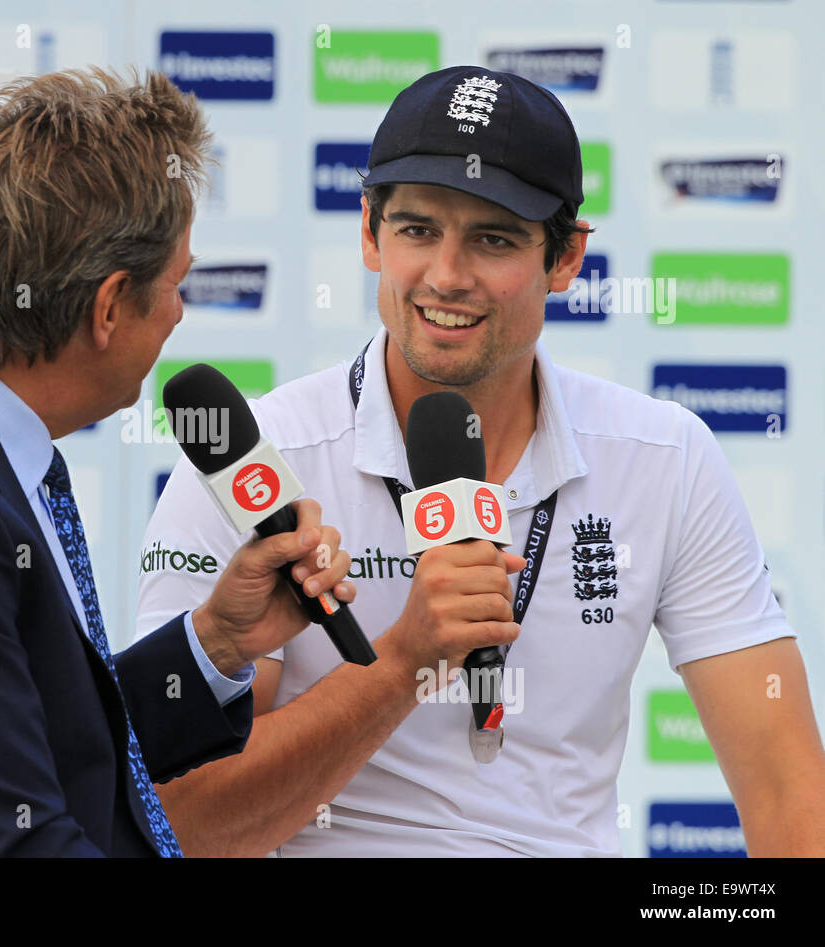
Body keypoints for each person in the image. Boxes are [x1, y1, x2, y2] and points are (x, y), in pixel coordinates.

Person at [135, 65, 825, 856]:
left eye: (493, 238)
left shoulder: (664, 457)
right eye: (418, 229)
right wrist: (402, 663)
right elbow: (185, 823)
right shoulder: (255, 460)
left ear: (565, 259)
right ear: (368, 233)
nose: (447, 275)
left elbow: (787, 792)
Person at [0, 68, 355, 857]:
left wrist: (214, 643)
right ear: (107, 308)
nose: (180, 311)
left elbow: (48, 746)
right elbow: (12, 841)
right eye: (177, 284)